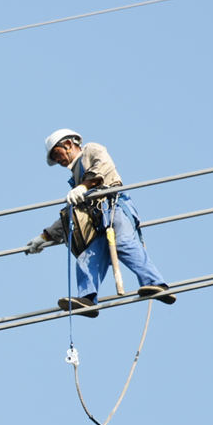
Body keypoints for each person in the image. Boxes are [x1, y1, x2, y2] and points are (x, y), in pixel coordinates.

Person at [25, 129, 176, 317]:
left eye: (57, 153)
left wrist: (84, 187)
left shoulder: (91, 150)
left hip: (113, 210)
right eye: (54, 159)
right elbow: (72, 215)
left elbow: (102, 168)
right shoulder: (76, 179)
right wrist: (44, 237)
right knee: (87, 258)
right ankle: (87, 299)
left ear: (69, 144)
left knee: (124, 243)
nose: (58, 160)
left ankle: (157, 284)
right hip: (98, 223)